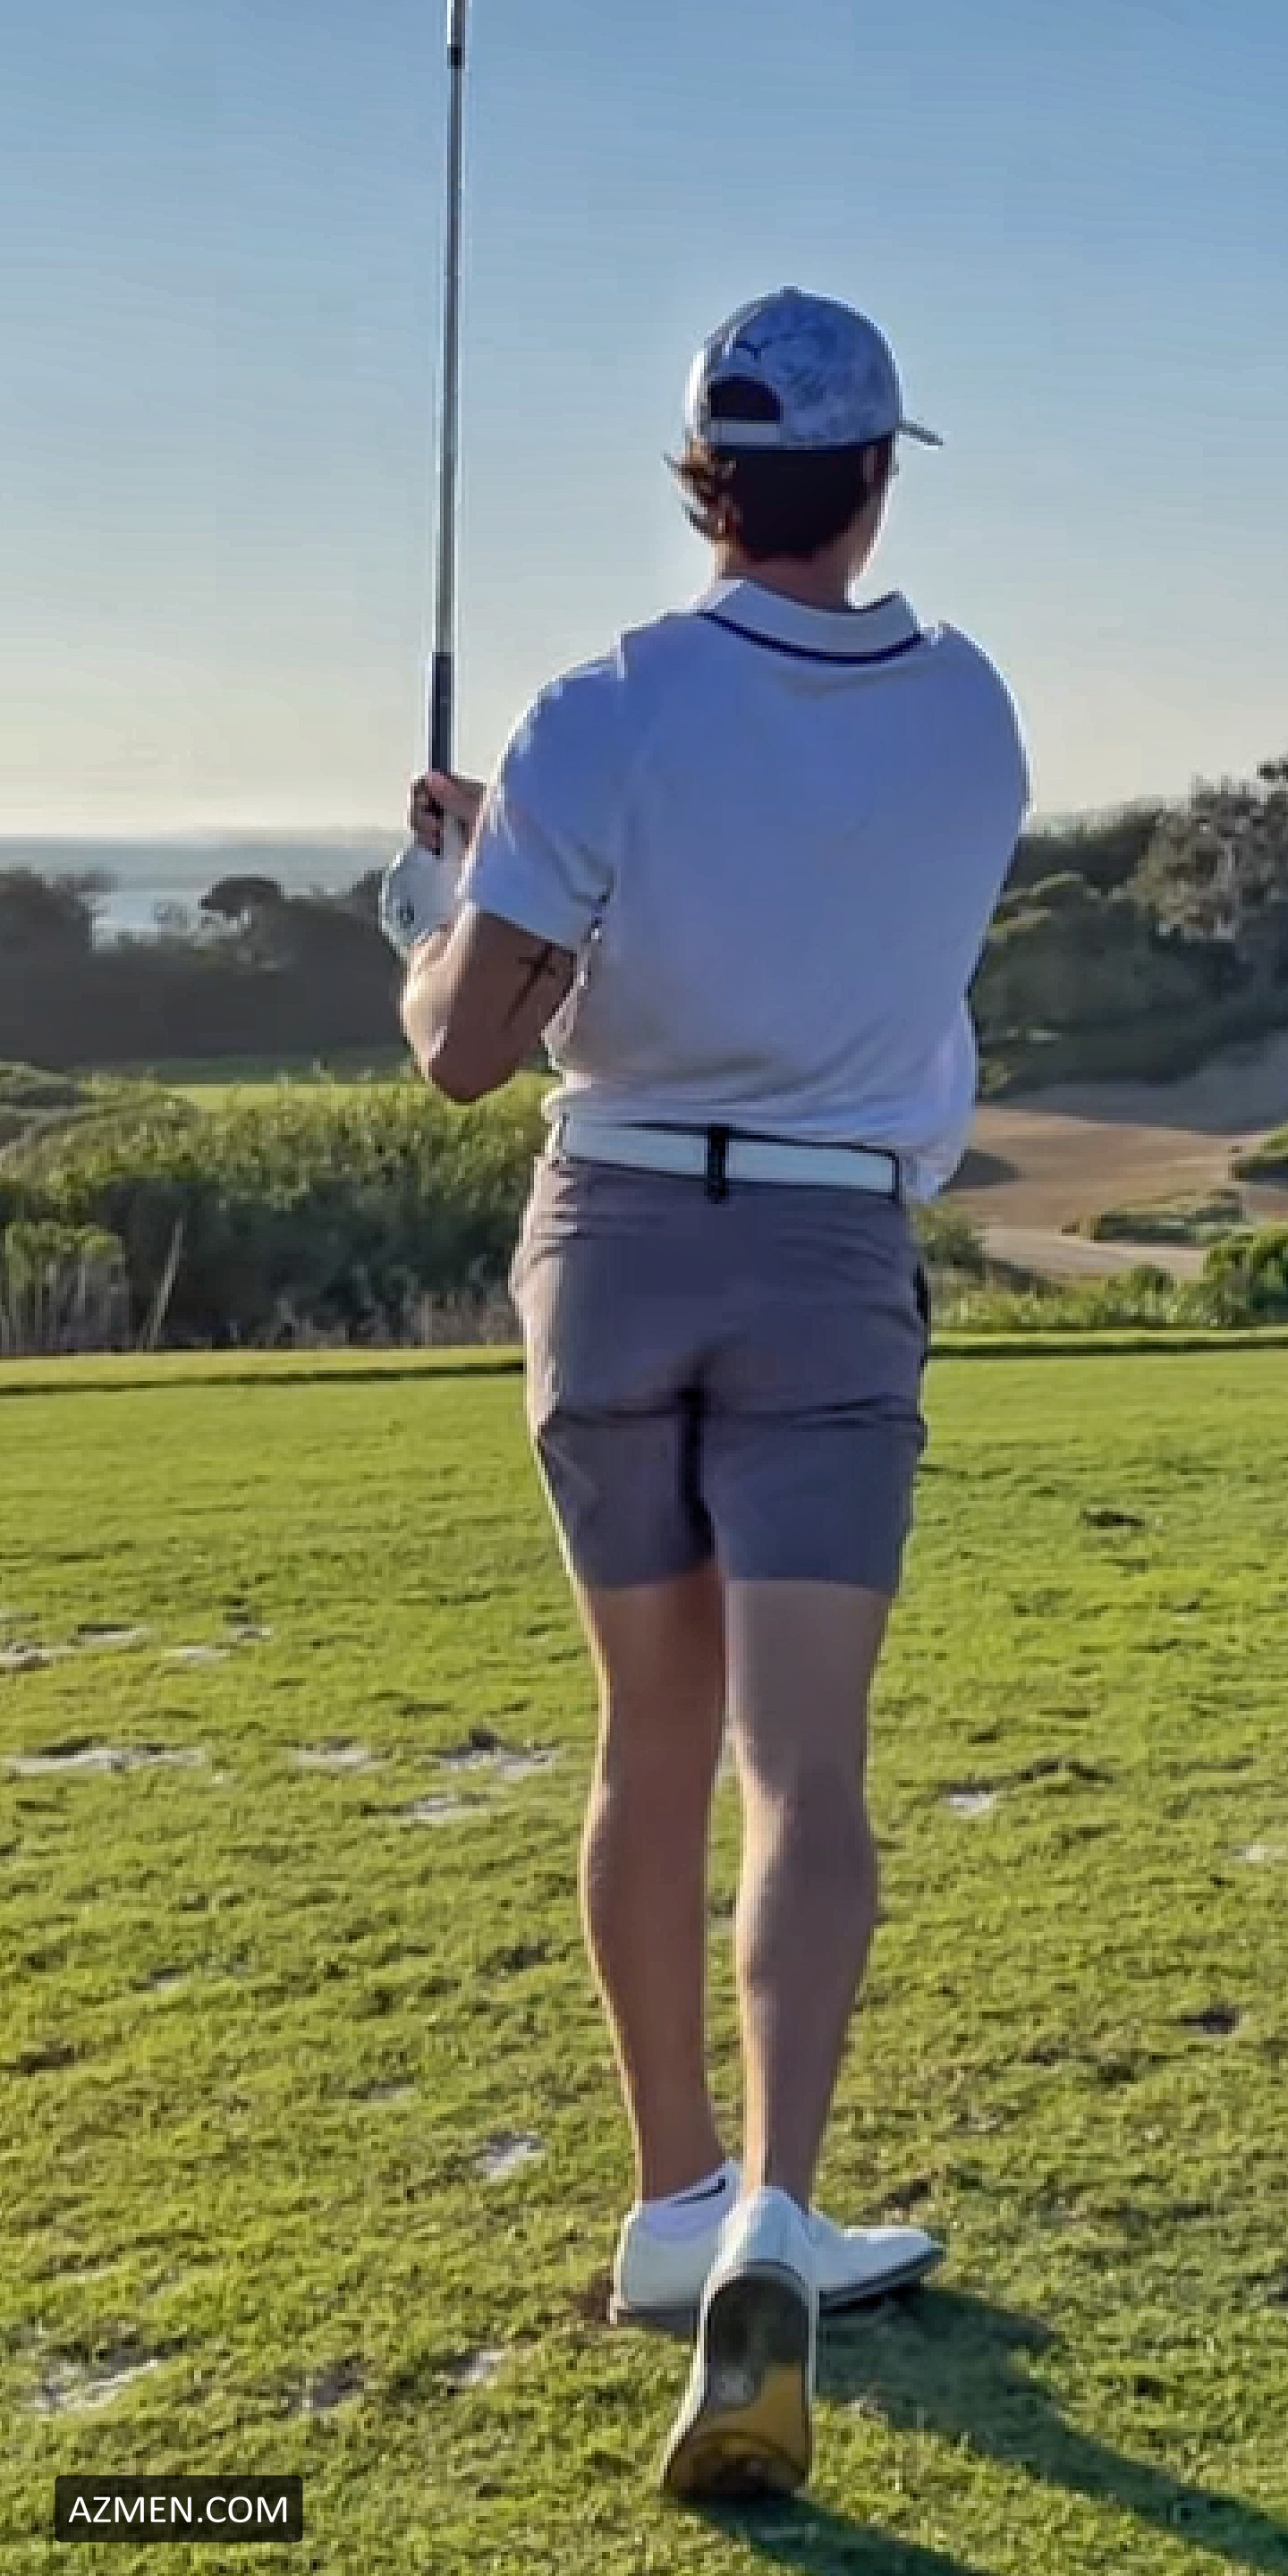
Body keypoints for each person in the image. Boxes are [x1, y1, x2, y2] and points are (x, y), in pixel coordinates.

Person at [385, 287, 1030, 2503]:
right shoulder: (973, 716)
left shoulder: (600, 710)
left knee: (647, 1745)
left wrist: (449, 896)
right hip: (829, 1255)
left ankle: (675, 2203)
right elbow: (800, 884)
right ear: (871, 484)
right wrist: (528, 872)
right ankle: (776, 2218)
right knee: (803, 1772)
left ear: (704, 482)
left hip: (619, 1244)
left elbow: (465, 1049)